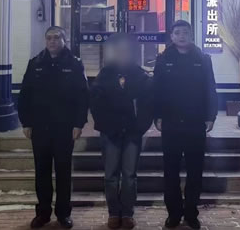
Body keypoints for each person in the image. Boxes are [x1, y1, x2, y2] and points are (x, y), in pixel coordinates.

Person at [18, 26, 89, 229]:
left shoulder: (74, 64)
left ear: (64, 40)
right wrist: (26, 122)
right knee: (42, 171)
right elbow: (25, 95)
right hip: (40, 127)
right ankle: (42, 213)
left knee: (63, 172)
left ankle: (63, 214)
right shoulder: (35, 63)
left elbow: (83, 96)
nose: (52, 41)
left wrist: (78, 123)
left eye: (57, 38)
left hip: (64, 128)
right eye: (49, 38)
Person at [153, 20, 218, 230]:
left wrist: (210, 116)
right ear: (172, 36)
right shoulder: (163, 59)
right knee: (170, 171)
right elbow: (156, 90)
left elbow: (210, 88)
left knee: (195, 171)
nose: (182, 36)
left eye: (186, 32)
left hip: (195, 122)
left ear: (191, 35)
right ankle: (173, 214)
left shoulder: (202, 59)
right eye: (178, 33)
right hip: (171, 122)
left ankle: (191, 213)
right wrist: (157, 116)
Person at [90, 34, 153, 230]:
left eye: (126, 50)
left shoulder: (140, 75)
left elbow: (147, 105)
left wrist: (140, 127)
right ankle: (113, 212)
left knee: (129, 175)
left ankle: (127, 213)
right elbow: (96, 103)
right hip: (110, 132)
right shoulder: (105, 74)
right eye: (119, 50)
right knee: (110, 175)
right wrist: (105, 125)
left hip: (132, 133)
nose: (123, 54)